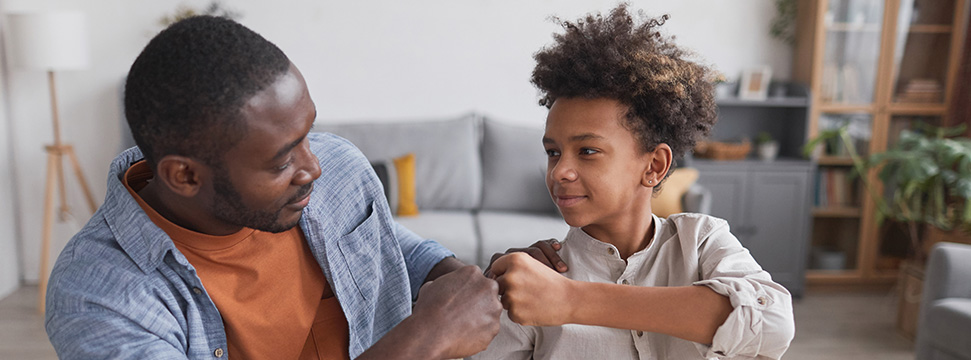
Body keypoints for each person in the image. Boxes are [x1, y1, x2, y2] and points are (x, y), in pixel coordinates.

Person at [44, 16, 503, 359]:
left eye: (308, 134)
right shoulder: (98, 298)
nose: (315, 167)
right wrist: (425, 339)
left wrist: (470, 280)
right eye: (283, 160)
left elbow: (386, 246)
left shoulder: (339, 170)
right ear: (185, 176)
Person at [474, 5, 795, 359]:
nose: (560, 171)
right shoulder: (535, 279)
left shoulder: (700, 242)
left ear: (654, 165)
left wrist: (573, 300)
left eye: (587, 151)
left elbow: (773, 324)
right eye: (553, 152)